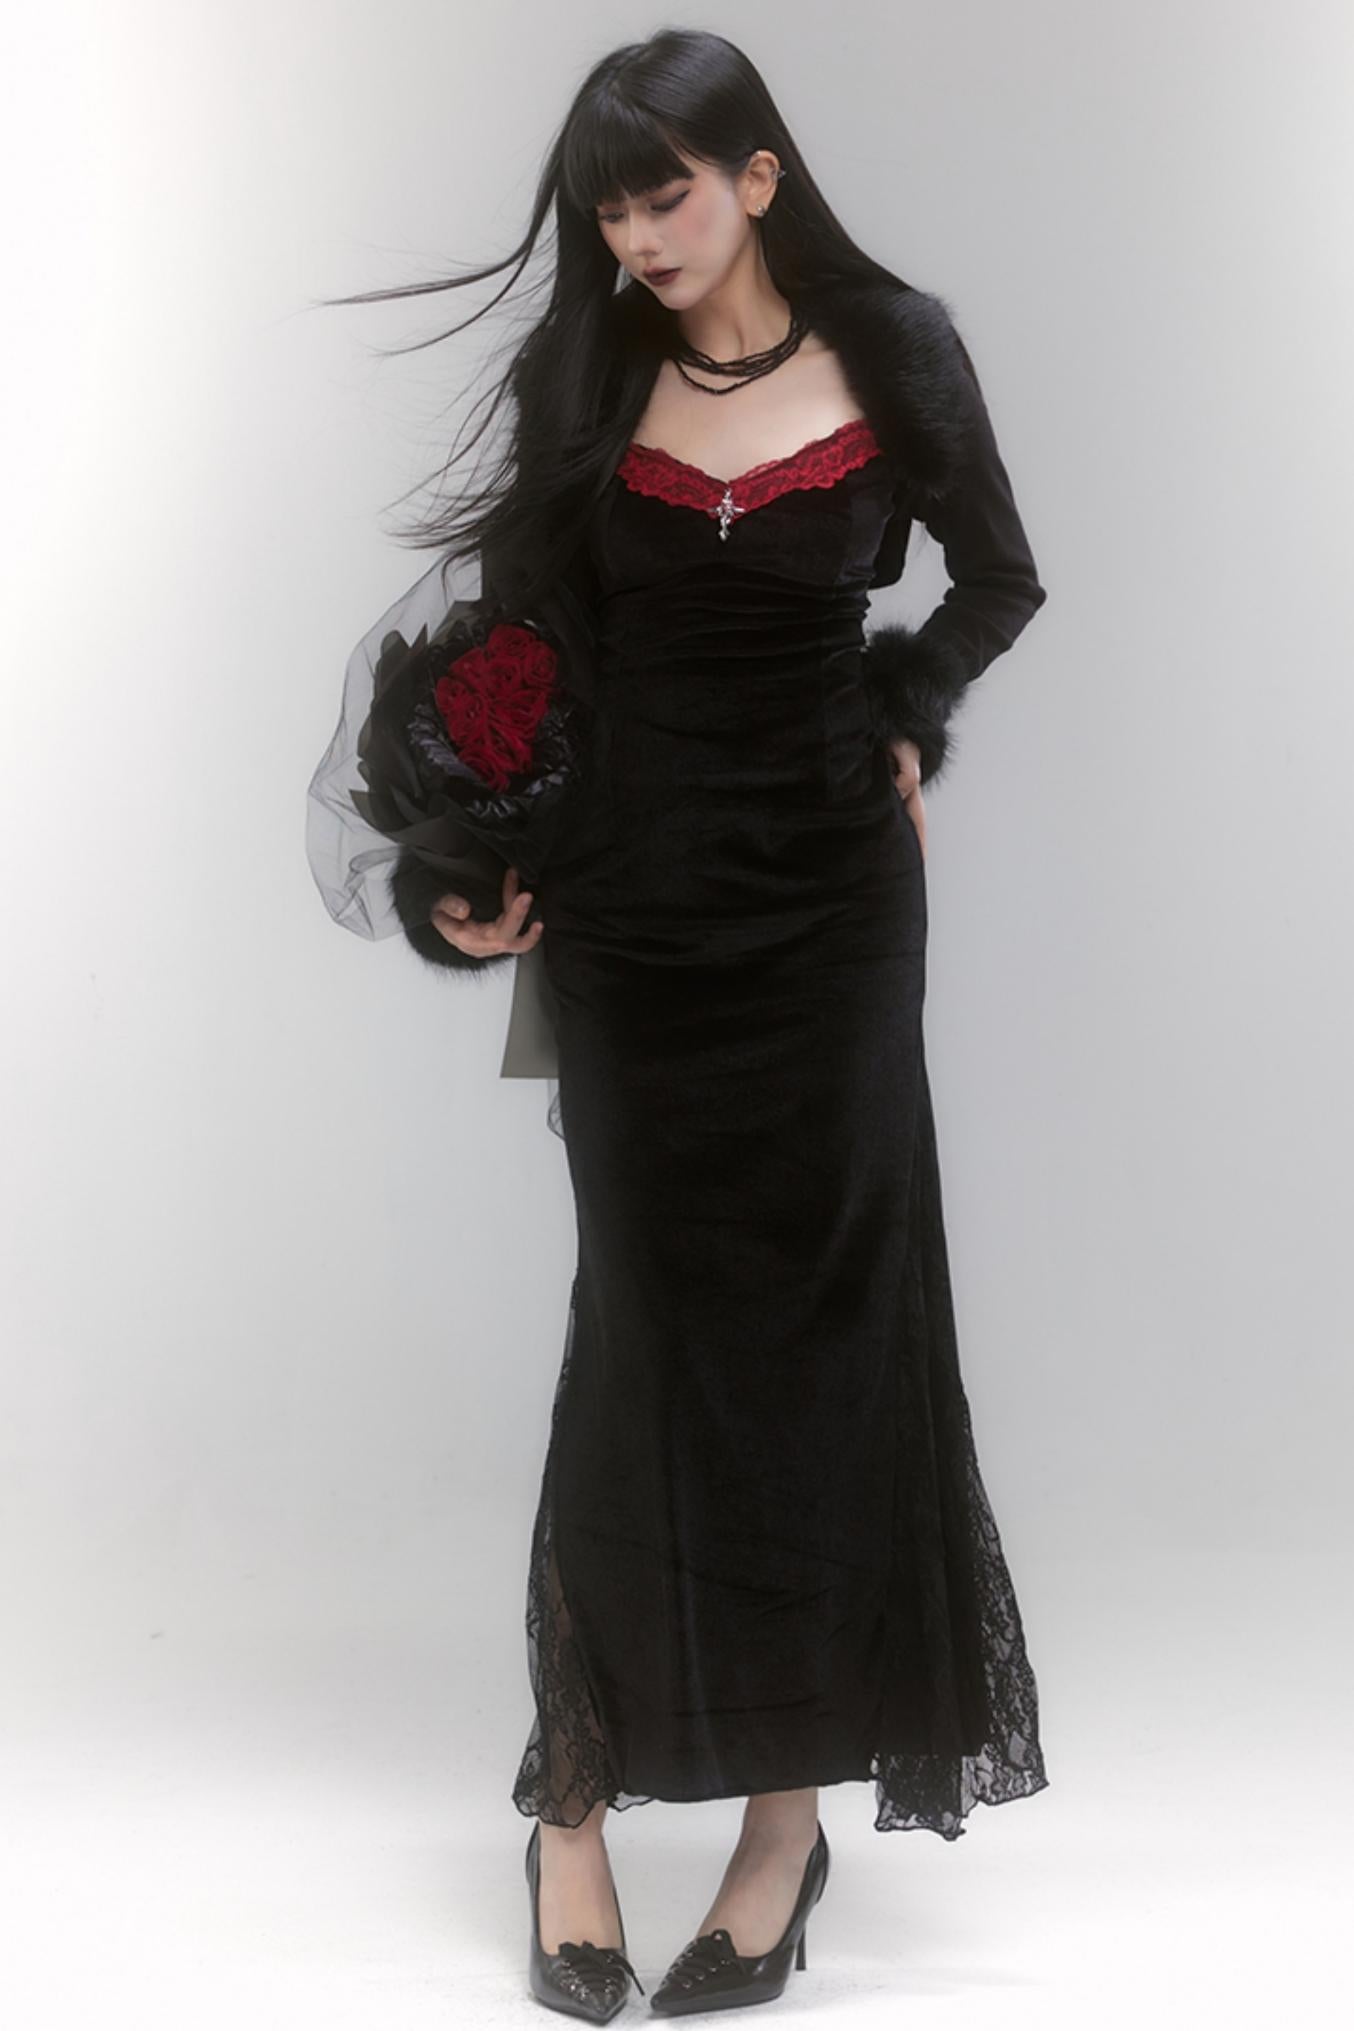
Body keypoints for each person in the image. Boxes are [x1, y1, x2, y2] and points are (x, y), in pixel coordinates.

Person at [309, 28, 1050, 2023]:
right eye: (609, 207)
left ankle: (776, 1835)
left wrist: (901, 710)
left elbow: (997, 578)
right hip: (636, 916)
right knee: (636, 1332)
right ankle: (567, 1799)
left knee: (819, 1342)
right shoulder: (585, 370)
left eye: (665, 193)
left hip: (830, 916)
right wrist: (466, 861)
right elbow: (518, 657)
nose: (636, 235)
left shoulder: (893, 346)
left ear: (755, 176)